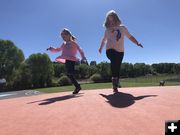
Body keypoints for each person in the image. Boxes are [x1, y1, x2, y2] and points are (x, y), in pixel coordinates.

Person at [99, 10, 143, 93]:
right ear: (107, 22)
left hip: (120, 51)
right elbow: (104, 40)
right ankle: (114, 81)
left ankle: (116, 82)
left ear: (116, 20)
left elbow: (130, 36)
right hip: (110, 50)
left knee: (118, 67)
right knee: (113, 61)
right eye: (109, 21)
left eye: (113, 20)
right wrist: (100, 48)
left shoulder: (122, 28)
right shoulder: (107, 30)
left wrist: (137, 42)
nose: (111, 23)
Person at [47, 28, 87, 94]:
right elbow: (58, 49)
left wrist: (83, 57)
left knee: (70, 72)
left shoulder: (73, 43)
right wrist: (51, 49)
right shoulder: (64, 44)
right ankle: (77, 87)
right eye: (62, 37)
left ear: (69, 35)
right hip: (67, 59)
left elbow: (80, 49)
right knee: (69, 75)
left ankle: (80, 71)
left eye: (64, 37)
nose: (63, 38)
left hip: (71, 59)